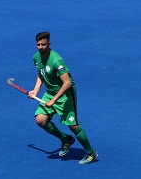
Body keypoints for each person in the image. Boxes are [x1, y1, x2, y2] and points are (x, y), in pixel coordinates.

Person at [27, 31, 97, 165]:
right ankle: (66, 140)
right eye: (38, 45)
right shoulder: (36, 58)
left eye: (43, 44)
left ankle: (90, 152)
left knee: (73, 126)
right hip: (50, 93)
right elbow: (41, 73)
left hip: (65, 95)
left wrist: (53, 100)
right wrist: (35, 90)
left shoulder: (56, 60)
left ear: (49, 44)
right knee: (40, 120)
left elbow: (67, 83)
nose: (40, 47)